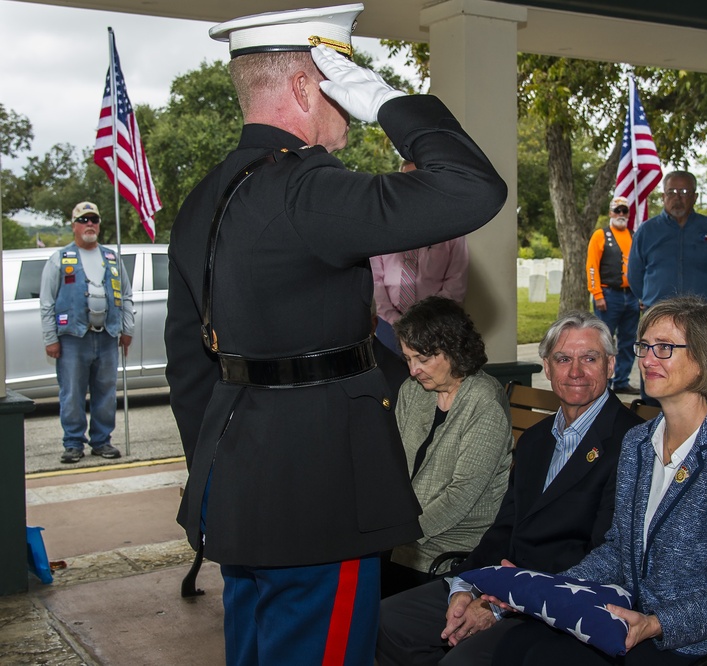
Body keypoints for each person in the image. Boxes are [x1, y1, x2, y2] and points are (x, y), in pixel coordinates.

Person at [164, 5, 507, 664]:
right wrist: (390, 103)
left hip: (240, 490)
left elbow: (189, 364)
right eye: (341, 82)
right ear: (303, 87)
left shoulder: (206, 196)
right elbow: (473, 189)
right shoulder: (308, 189)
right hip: (319, 492)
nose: (348, 108)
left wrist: (217, 474)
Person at [491, 297, 707, 665]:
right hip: (634, 621)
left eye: (664, 348)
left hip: (704, 647)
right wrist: (543, 589)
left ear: (705, 360)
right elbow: (618, 551)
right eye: (644, 346)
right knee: (515, 650)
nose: (646, 360)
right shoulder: (639, 443)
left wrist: (656, 623)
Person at [377, 312, 643, 666]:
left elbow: (607, 556)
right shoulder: (536, 440)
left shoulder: (633, 443)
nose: (575, 371)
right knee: (386, 622)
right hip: (502, 581)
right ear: (546, 367)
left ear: (611, 365)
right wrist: (465, 587)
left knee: (462, 662)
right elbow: (505, 527)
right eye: (563, 359)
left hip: (560, 600)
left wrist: (503, 603)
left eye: (589, 359)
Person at [383, 296, 513, 597]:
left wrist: (401, 533)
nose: (413, 370)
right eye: (408, 358)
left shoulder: (483, 402)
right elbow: (394, 467)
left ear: (454, 350)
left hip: (451, 552)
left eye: (423, 359)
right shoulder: (413, 392)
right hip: (403, 541)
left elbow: (460, 496)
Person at [39, 201, 133, 464]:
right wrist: (50, 338)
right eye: (83, 220)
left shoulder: (112, 258)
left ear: (99, 224)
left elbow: (126, 295)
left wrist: (127, 329)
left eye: (94, 219)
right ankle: (72, 443)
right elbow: (46, 302)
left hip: (107, 337)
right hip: (72, 339)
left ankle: (102, 441)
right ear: (74, 226)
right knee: (71, 393)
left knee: (105, 393)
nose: (89, 224)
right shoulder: (58, 259)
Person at [371, 159, 470, 355]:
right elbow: (376, 280)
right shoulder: (382, 226)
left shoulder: (451, 228)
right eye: (408, 181)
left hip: (436, 324)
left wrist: (426, 319)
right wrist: (395, 319)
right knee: (391, 379)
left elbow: (456, 283)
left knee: (433, 381)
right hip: (388, 325)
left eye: (420, 180)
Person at [628, 171, 707, 309]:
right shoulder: (646, 231)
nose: (677, 198)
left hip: (702, 313)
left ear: (694, 197)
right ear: (663, 196)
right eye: (671, 192)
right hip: (659, 313)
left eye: (684, 192)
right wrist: (654, 301)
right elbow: (635, 277)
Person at [586, 195, 641, 394]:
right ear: (610, 213)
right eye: (617, 210)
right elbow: (592, 266)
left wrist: (641, 295)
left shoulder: (634, 235)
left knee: (628, 341)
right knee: (604, 342)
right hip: (609, 296)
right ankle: (603, 383)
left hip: (632, 296)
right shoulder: (601, 235)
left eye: (624, 211)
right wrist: (597, 294)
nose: (620, 214)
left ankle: (621, 380)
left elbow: (640, 267)